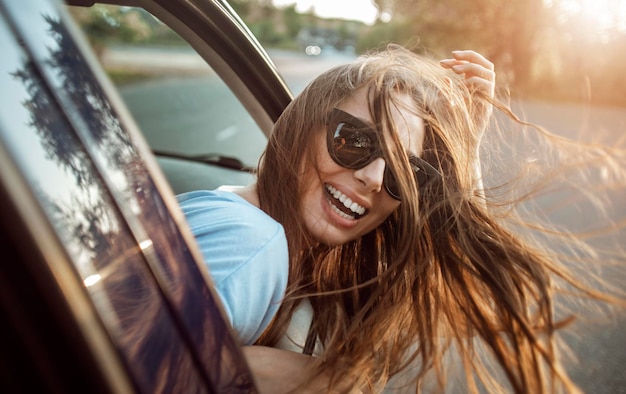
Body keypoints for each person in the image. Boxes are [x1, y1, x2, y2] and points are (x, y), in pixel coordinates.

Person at [177, 44, 624, 393]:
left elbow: (457, 285)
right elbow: (131, 363)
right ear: (303, 124)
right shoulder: (253, 242)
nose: (374, 178)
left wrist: (464, 147)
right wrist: (249, 373)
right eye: (353, 140)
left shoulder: (272, 236)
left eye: (404, 172)